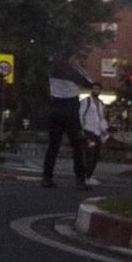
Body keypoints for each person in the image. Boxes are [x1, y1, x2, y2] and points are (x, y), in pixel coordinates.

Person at [42, 50, 95, 189]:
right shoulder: (73, 73)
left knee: (53, 146)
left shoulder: (53, 70)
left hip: (55, 108)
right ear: (71, 58)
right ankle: (80, 181)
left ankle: (46, 178)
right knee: (77, 146)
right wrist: (79, 67)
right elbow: (90, 83)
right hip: (70, 109)